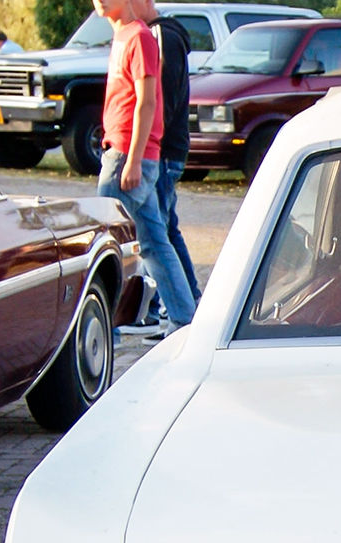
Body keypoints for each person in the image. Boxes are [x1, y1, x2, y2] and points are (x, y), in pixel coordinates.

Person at [93, 0, 195, 338]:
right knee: (154, 241)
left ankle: (103, 327)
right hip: (123, 151)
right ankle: (184, 319)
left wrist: (135, 158)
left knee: (103, 242)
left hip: (127, 155)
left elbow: (147, 100)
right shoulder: (123, 36)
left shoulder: (140, 37)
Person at [129, 0, 199, 337]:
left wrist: (150, 145)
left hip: (163, 150)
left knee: (156, 234)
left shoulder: (161, 36)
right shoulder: (161, 34)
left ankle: (178, 310)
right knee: (166, 230)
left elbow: (162, 99)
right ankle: (186, 305)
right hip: (167, 147)